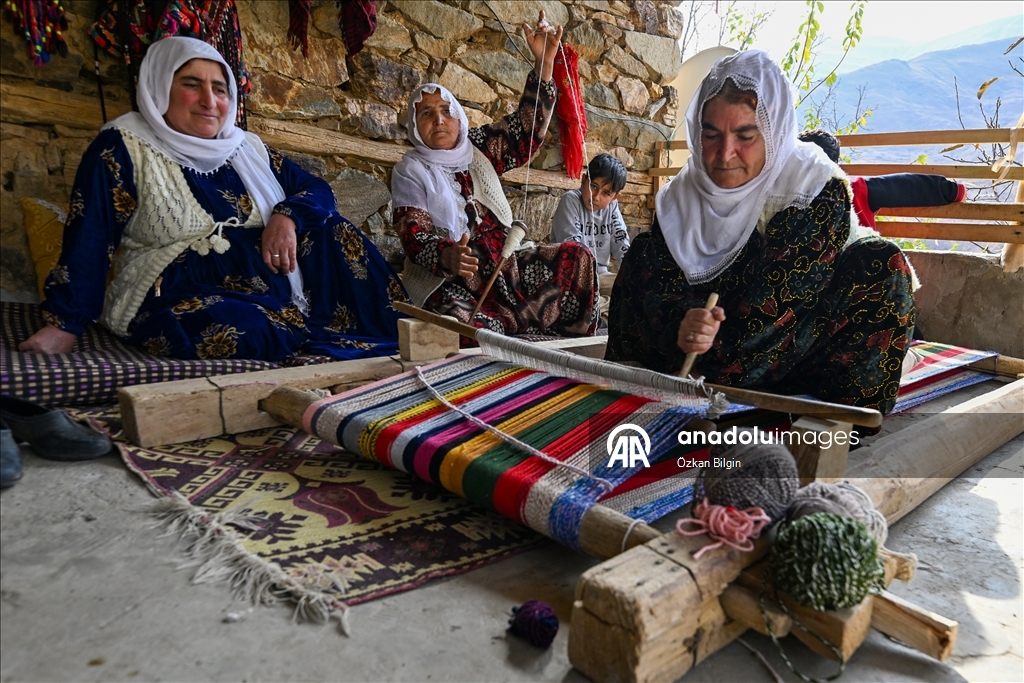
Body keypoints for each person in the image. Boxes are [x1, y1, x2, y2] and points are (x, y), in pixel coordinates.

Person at [19, 37, 406, 362]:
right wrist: (64, 325)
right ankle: (311, 339)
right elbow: (91, 236)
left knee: (333, 228)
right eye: (191, 84)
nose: (209, 100)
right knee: (244, 328)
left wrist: (285, 217)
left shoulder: (247, 148)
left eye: (219, 88)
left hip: (274, 287)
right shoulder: (123, 147)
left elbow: (318, 189)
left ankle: (397, 330)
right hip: (178, 292)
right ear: (158, 88)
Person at [606, 50, 915, 416]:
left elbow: (773, 313)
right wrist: (681, 323)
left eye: (745, 135)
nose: (725, 153)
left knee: (881, 265)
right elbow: (661, 284)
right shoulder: (682, 195)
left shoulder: (811, 188)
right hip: (705, 347)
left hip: (794, 348)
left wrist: (709, 350)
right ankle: (629, 390)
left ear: (773, 131)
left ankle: (827, 424)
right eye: (711, 134)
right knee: (642, 251)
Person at [391, 11, 598, 337]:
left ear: (459, 119)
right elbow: (413, 234)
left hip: (509, 266)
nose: (439, 120)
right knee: (455, 322)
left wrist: (545, 65)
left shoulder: (479, 147)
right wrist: (447, 256)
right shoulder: (410, 170)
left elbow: (527, 132)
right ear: (415, 126)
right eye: (427, 114)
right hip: (460, 279)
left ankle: (567, 349)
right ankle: (512, 353)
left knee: (578, 257)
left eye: (447, 111)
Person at [798, 128, 966, 229]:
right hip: (853, 277)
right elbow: (907, 186)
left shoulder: (778, 192)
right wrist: (952, 191)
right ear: (835, 165)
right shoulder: (854, 191)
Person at [551, 152, 630, 292]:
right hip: (568, 275)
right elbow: (573, 250)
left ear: (615, 198)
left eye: (606, 193)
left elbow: (621, 243)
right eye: (593, 186)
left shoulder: (612, 207)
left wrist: (630, 274)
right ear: (583, 181)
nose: (596, 197)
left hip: (600, 276)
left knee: (632, 287)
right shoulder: (570, 201)